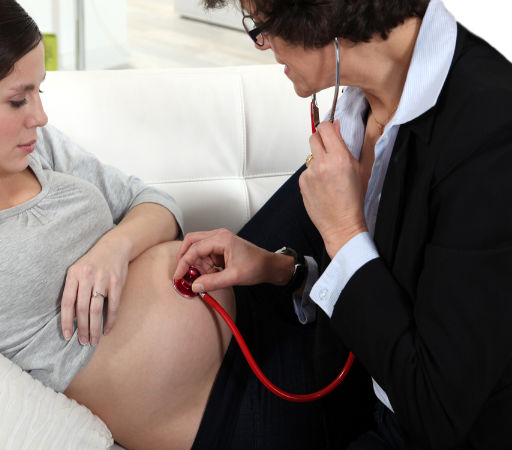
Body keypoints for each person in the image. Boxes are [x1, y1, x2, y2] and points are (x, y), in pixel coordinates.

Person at [0, 1, 371, 449]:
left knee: (354, 156)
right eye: (17, 100)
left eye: (39, 92)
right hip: (231, 408)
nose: (39, 116)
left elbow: (154, 204)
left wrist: (113, 248)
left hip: (257, 296)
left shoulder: (34, 146)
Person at [174, 0, 512, 448]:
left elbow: (437, 409)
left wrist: (344, 233)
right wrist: (286, 270)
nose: (263, 44)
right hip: (342, 390)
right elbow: (391, 290)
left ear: (322, 14)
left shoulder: (492, 135)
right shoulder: (356, 107)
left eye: (262, 25)